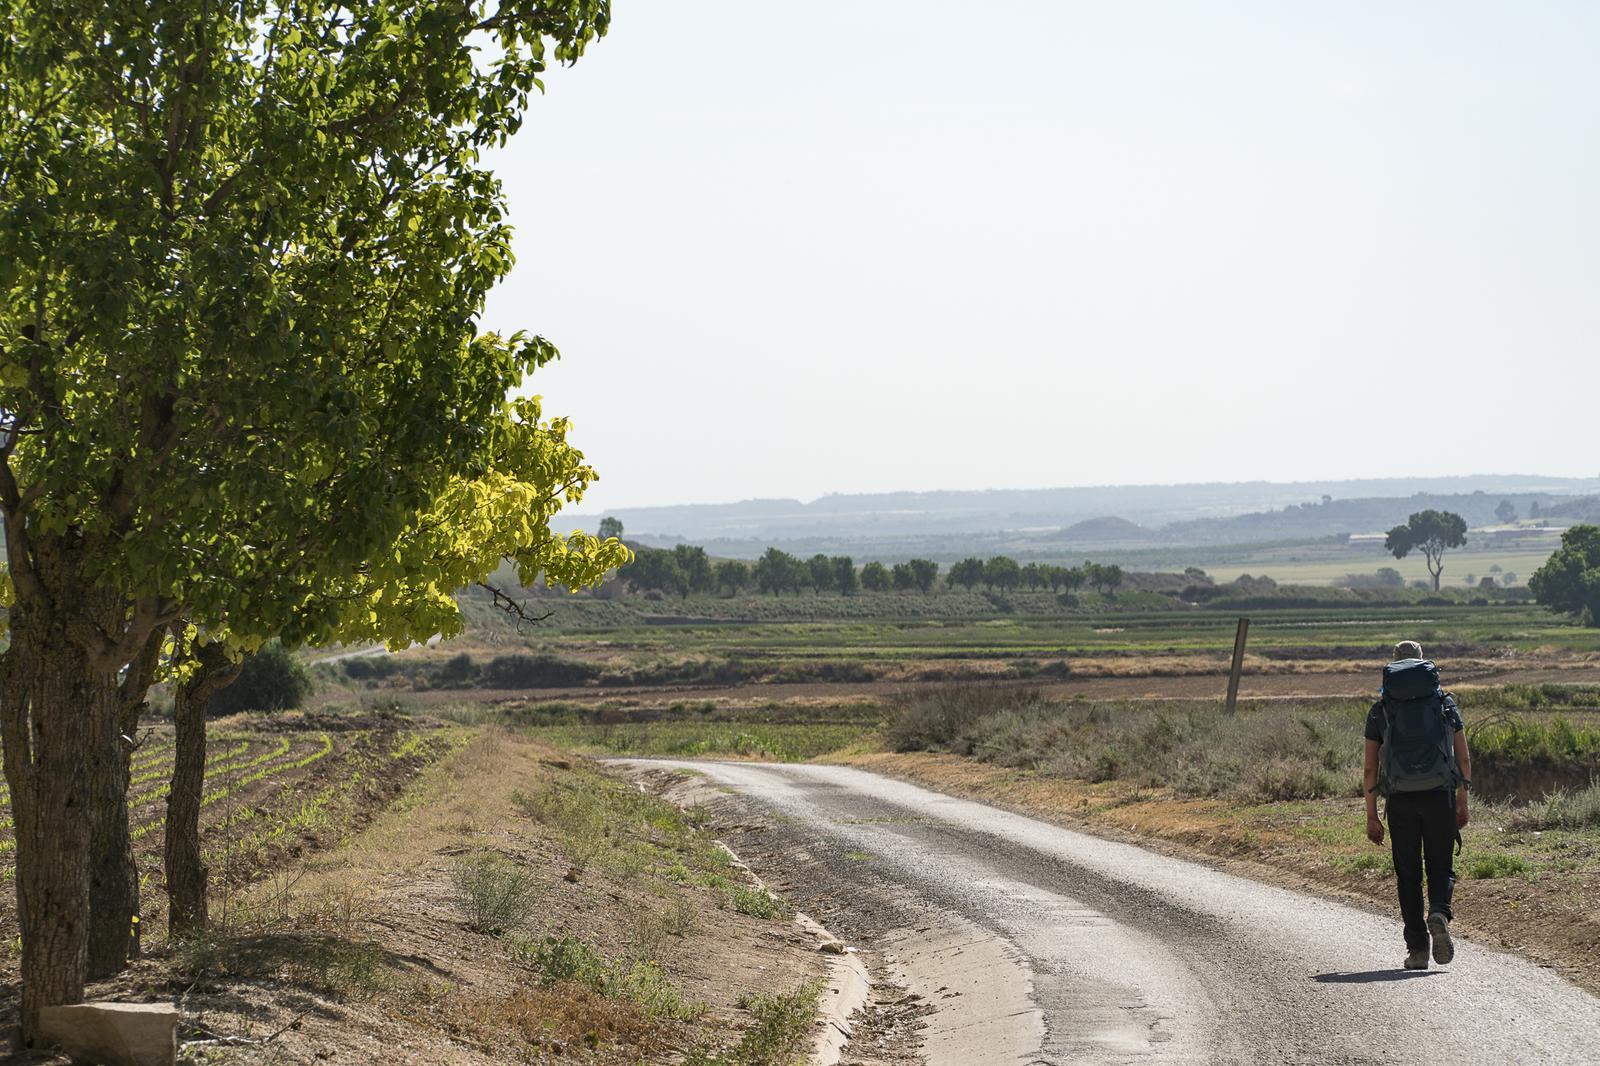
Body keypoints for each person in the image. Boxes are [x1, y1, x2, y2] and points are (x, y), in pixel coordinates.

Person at [1363, 640, 1472, 970]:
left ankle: (1418, 950)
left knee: (1408, 875)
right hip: (1440, 794)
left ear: (1393, 667)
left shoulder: (1381, 709)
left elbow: (1370, 768)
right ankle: (1438, 910)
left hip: (1400, 800)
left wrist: (1371, 815)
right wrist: (1462, 800)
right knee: (1440, 865)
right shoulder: (1444, 703)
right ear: (1425, 665)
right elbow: (1463, 757)